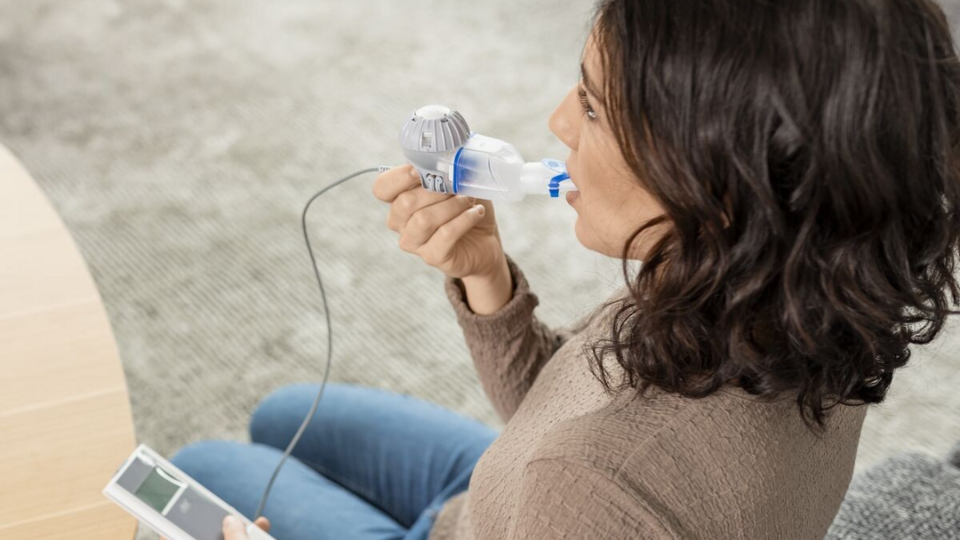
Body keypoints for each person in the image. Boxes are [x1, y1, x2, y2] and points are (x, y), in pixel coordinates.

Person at [166, 0, 960, 538]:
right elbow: (564, 409)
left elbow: (587, 464)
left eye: (590, 107)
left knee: (198, 472)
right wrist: (488, 281)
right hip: (511, 495)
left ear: (716, 176)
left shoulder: (589, 481)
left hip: (534, 504)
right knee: (284, 410)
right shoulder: (797, 299)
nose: (554, 122)